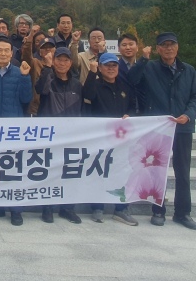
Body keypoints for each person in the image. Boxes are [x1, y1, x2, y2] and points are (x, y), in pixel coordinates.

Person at [127, 32, 196, 230]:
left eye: (172, 44)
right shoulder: (149, 67)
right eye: (164, 45)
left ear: (177, 47)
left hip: (182, 127)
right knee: (157, 171)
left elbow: (194, 97)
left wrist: (188, 115)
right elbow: (132, 79)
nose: (168, 48)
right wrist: (143, 59)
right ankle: (158, 211)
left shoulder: (189, 70)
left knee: (183, 171)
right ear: (157, 49)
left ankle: (183, 213)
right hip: (158, 128)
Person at [0, 35, 32, 226]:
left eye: (6, 50)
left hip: (13, 130)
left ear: (12, 53)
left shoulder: (20, 72)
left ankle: (16, 210)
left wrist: (25, 77)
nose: (3, 53)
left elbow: (26, 99)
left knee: (14, 170)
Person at [83, 53, 137, 225]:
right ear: (100, 68)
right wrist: (92, 73)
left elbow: (133, 107)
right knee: (99, 171)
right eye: (107, 65)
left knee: (122, 172)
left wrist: (130, 115)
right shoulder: (95, 85)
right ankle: (97, 207)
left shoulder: (125, 87)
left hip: (122, 138)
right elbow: (87, 95)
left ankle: (121, 209)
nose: (111, 68)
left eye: (114, 65)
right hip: (100, 137)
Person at [35, 47, 83, 224]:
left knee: (69, 170)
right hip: (49, 134)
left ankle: (67, 208)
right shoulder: (48, 78)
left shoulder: (77, 84)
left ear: (71, 63)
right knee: (49, 170)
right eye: (59, 60)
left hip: (71, 134)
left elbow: (81, 108)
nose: (62, 63)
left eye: (66, 60)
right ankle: (47, 207)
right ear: (54, 61)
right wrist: (47, 68)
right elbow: (40, 89)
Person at [22, 25, 79, 116]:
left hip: (57, 108)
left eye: (50, 47)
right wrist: (30, 39)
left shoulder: (61, 66)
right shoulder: (35, 63)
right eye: (44, 48)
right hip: (37, 108)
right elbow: (26, 56)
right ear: (40, 52)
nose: (48, 49)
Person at [117, 33, 146, 112]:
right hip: (123, 111)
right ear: (119, 49)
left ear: (137, 47)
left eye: (131, 44)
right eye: (124, 45)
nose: (128, 47)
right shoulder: (115, 68)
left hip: (144, 111)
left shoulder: (145, 66)